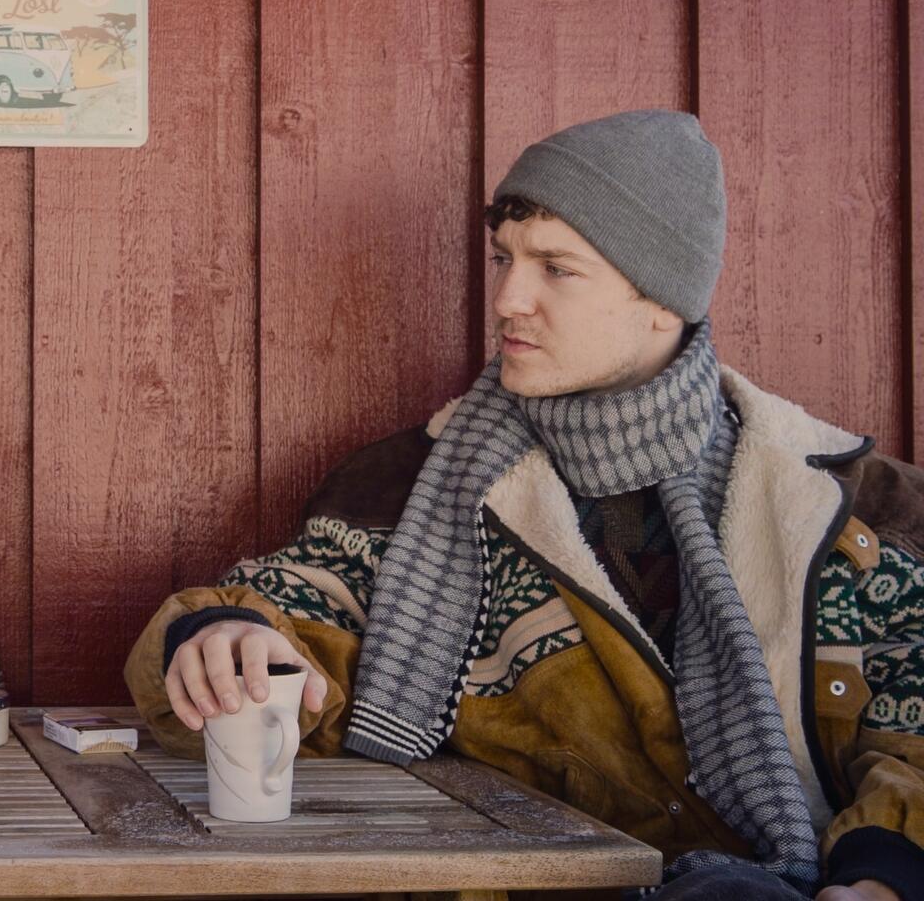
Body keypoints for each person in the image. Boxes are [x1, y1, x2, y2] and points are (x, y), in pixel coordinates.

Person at [127, 111, 922, 900]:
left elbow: (911, 719)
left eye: (556, 268)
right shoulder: (411, 483)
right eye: (504, 258)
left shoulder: (847, 502)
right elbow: (289, 618)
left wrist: (883, 881)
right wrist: (222, 634)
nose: (508, 297)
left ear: (663, 299)